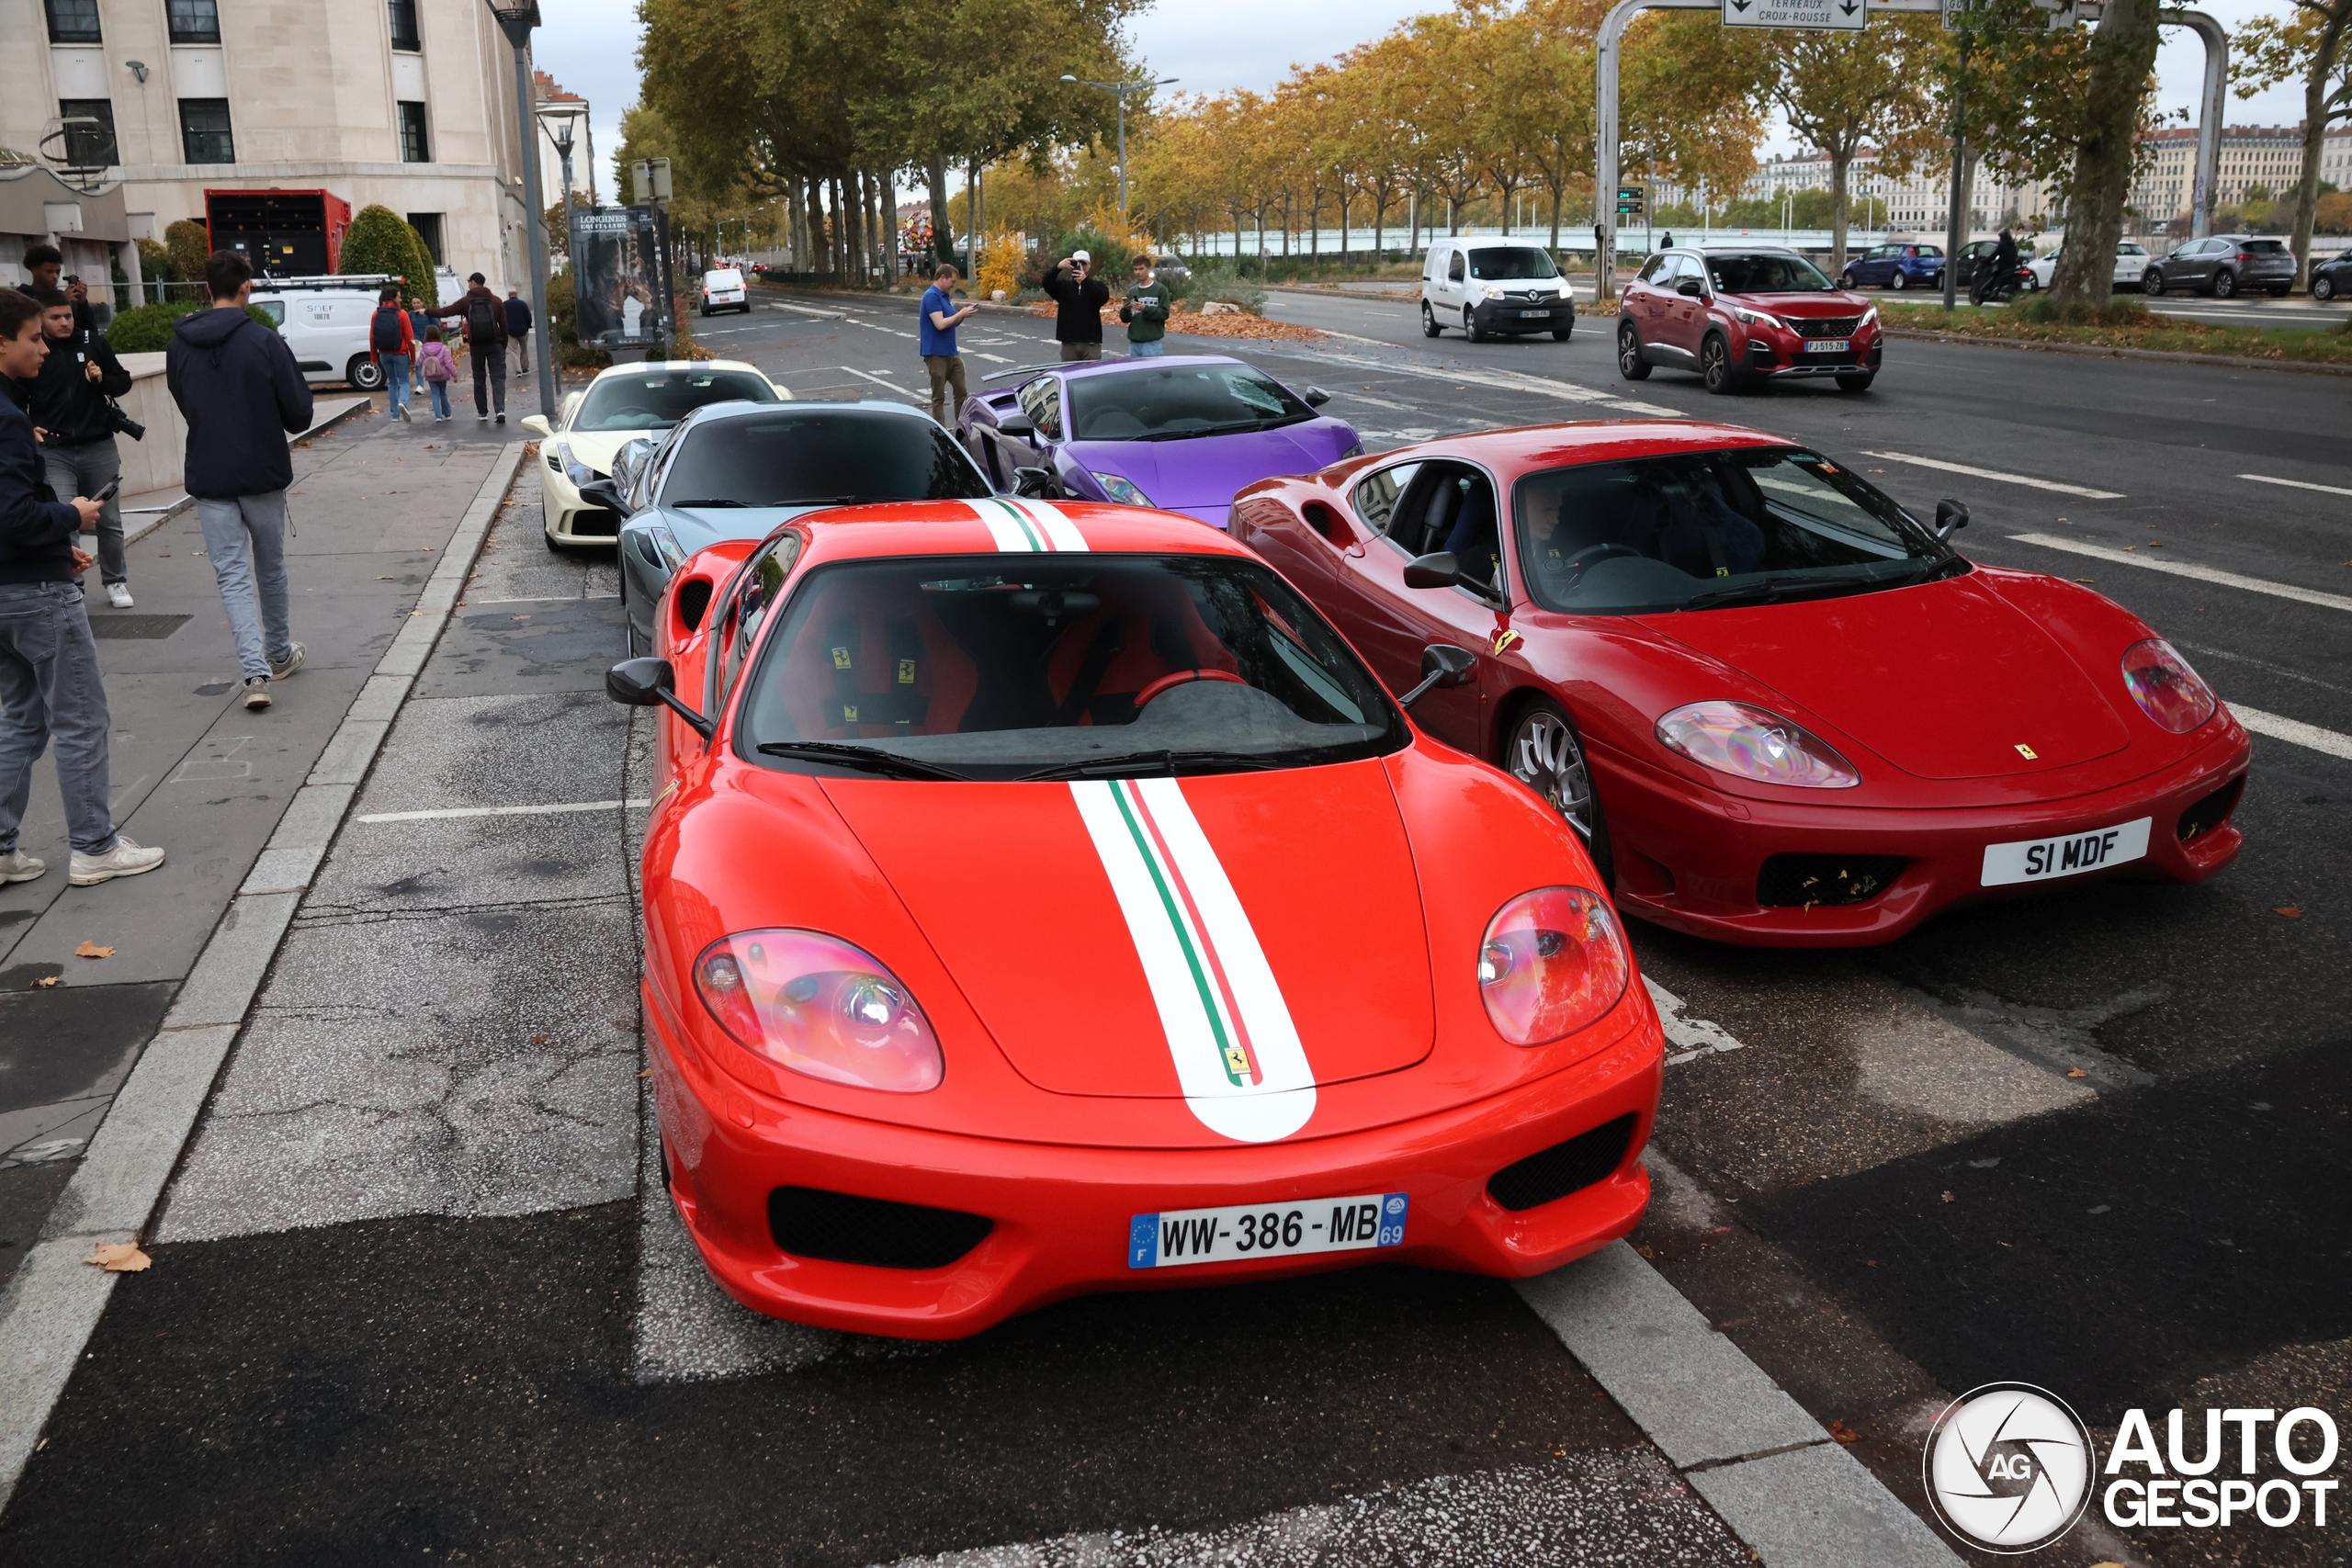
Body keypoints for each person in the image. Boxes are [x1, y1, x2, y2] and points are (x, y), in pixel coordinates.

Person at [0, 288, 165, 887]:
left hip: (11, 582)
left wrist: (52, 537)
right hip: (35, 593)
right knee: (80, 717)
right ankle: (94, 845)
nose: (45, 346)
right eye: (33, 338)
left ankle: (1, 847)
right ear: (2, 342)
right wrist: (71, 517)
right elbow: (14, 514)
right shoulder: (11, 423)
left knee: (20, 717)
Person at [165, 249, 311, 711]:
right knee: (270, 566)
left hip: (209, 472)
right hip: (262, 471)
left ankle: (255, 673)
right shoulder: (265, 342)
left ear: (207, 289)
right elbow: (299, 414)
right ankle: (279, 652)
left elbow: (183, 399)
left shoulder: (179, 344)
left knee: (230, 575)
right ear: (247, 287)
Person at [26, 287, 134, 608]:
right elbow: (16, 393)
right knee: (65, 519)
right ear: (42, 320)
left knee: (110, 521)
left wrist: (101, 380)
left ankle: (116, 581)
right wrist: (27, 425)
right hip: (55, 450)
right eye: (55, 317)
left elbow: (123, 382)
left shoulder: (92, 343)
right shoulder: (36, 351)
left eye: (68, 316)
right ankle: (72, 585)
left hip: (98, 445)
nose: (64, 323)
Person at [428, 271, 510, 424]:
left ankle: (482, 412)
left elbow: (447, 311)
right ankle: (500, 410)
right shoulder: (497, 301)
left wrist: (427, 311)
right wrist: (502, 343)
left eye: (469, 282)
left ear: (473, 282)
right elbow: (504, 326)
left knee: (479, 378)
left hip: (477, 345)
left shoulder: (466, 302)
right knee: (497, 378)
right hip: (495, 344)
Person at [919, 264, 977, 426]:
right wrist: (960, 313)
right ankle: (940, 431)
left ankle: (961, 427)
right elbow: (940, 324)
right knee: (939, 397)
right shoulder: (931, 296)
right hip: (936, 354)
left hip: (951, 353)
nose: (954, 285)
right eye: (952, 281)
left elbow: (950, 324)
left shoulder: (945, 296)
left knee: (962, 391)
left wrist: (963, 316)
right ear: (942, 278)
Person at [1043, 250, 1109, 363]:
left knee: (1091, 377)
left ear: (1089, 265)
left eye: (1084, 264)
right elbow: (1046, 283)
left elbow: (1102, 297)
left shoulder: (1097, 286)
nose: (1081, 267)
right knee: (1069, 375)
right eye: (1077, 264)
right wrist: (1057, 267)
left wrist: (1085, 281)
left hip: (1091, 343)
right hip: (1069, 343)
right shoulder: (1063, 287)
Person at [17, 246, 97, 339]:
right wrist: (60, 302)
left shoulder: (66, 296)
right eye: (49, 272)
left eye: (58, 272)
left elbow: (89, 333)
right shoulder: (20, 298)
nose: (55, 276)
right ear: (34, 271)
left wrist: (82, 304)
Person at [369, 284, 415, 423]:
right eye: (399, 297)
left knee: (392, 383)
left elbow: (372, 336)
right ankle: (403, 402)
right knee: (404, 381)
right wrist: (413, 358)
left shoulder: (376, 313)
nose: (401, 300)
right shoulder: (402, 314)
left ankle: (394, 415)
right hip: (400, 352)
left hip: (384, 353)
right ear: (394, 298)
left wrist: (373, 356)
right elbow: (410, 338)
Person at [1119, 255, 1172, 358]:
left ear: (1149, 269)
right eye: (1135, 269)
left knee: (1153, 373)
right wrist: (1126, 309)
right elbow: (1125, 319)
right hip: (1134, 343)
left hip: (1151, 343)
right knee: (1135, 373)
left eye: (1141, 269)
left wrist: (1145, 308)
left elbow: (1164, 313)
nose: (1137, 272)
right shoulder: (1132, 291)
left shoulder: (1160, 289)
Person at [416, 326, 457, 422]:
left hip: (430, 376)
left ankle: (438, 416)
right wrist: (454, 374)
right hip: (442, 375)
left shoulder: (424, 349)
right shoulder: (443, 348)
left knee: (434, 394)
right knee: (443, 393)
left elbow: (420, 362)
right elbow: (449, 363)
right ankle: (447, 414)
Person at [1973, 227, 2020, 306]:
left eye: (2000, 236)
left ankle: (1993, 291)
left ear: (2003, 237)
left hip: (2003, 267)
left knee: (1992, 278)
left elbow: (1994, 255)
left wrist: (1984, 260)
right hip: (2012, 267)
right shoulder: (2013, 246)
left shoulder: (2002, 245)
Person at [503, 287, 532, 383]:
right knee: (524, 350)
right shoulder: (523, 304)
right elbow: (528, 316)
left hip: (511, 331)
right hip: (523, 330)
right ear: (517, 295)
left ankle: (518, 370)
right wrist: (528, 326)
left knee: (513, 351)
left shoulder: (505, 305)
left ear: (509, 295)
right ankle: (525, 368)